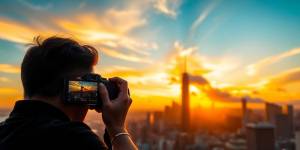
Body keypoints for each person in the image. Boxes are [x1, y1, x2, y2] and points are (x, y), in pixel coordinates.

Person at [0, 37, 137, 150]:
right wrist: (117, 128)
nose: (95, 93)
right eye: (91, 85)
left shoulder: (4, 131)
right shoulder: (74, 139)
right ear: (75, 88)